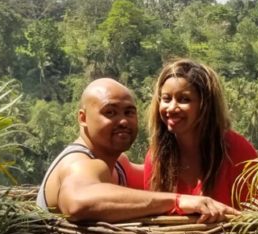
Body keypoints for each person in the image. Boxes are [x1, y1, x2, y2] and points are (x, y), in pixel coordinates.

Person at [37, 78, 238, 223]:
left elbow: (167, 176)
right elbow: (78, 202)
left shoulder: (119, 165)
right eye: (110, 112)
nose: (123, 121)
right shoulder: (80, 163)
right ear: (82, 118)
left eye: (129, 112)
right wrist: (179, 201)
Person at [144, 59, 258, 208]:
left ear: (205, 105)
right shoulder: (156, 156)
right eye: (166, 99)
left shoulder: (237, 152)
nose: (171, 108)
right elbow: (153, 213)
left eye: (184, 99)